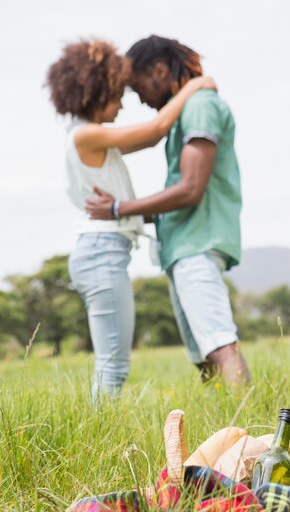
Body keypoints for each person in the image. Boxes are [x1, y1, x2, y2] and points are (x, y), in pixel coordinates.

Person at [46, 39, 215, 399]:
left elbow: (150, 138)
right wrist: (194, 88)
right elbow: (155, 133)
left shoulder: (88, 138)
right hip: (101, 254)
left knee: (112, 362)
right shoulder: (87, 135)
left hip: (103, 253)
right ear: (95, 92)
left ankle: (94, 434)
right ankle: (92, 443)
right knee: (114, 364)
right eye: (117, 94)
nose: (123, 103)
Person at [85, 35, 250, 385]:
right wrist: (119, 210)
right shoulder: (186, 112)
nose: (140, 99)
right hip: (183, 243)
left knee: (220, 345)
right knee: (204, 356)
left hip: (198, 241)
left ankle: (248, 432)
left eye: (137, 86)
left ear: (159, 70)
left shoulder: (200, 105)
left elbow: (190, 189)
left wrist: (119, 208)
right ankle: (223, 433)